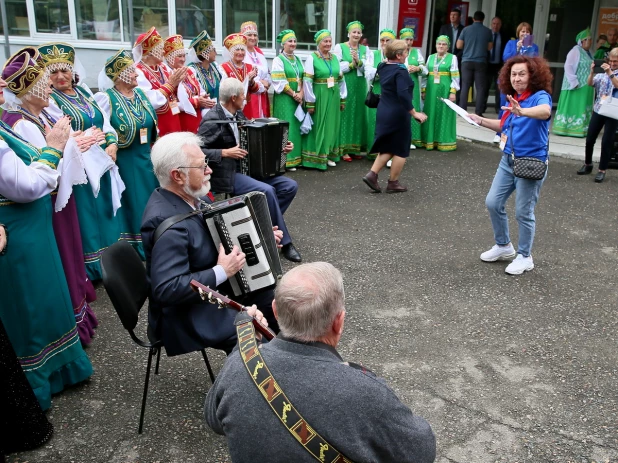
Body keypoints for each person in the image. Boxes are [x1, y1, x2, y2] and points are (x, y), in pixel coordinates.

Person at [204, 262, 437, 462]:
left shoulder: (238, 366)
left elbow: (213, 419)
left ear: (275, 311)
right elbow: (420, 451)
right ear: (339, 321)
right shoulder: (366, 393)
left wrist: (244, 347)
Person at [0, 65, 93, 409]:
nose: (1, 84)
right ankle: (39, 382)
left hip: (33, 229)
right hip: (19, 233)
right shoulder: (13, 124)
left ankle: (64, 369)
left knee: (48, 297)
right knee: (32, 310)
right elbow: (27, 185)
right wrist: (55, 147)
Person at [140, 132, 276, 356]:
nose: (209, 170)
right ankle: (261, 381)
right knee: (252, 330)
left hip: (212, 292)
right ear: (178, 176)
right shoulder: (166, 224)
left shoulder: (193, 198)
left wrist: (259, 238)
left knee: (277, 302)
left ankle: (290, 363)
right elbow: (167, 289)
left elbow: (210, 238)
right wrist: (222, 270)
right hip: (186, 313)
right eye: (202, 166)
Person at [198, 78, 302, 263]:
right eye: (242, 95)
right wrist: (224, 152)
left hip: (250, 169)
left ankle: (259, 226)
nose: (245, 99)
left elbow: (257, 139)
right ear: (233, 98)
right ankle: (285, 243)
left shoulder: (238, 115)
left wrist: (281, 147)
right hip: (228, 173)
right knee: (267, 191)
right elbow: (198, 150)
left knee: (289, 186)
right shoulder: (212, 119)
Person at [42, 42, 121, 281]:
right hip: (80, 169)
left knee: (105, 212)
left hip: (102, 162)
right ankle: (93, 269)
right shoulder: (51, 102)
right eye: (53, 72)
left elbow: (105, 121)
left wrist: (112, 142)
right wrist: (87, 137)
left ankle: (114, 262)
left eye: (64, 70)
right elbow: (59, 134)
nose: (60, 76)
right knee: (87, 215)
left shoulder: (85, 91)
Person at [469, 56, 553, 275]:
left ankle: (525, 256)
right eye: (513, 74)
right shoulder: (513, 98)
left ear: (532, 75)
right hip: (508, 159)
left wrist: (522, 111)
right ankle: (504, 246)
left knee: (523, 212)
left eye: (522, 74)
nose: (517, 78)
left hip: (530, 163)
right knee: (493, 202)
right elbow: (503, 125)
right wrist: (480, 120)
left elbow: (545, 111)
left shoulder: (538, 97)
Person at [95, 50, 160, 258]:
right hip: (126, 161)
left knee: (151, 198)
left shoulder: (140, 94)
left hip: (144, 156)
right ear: (120, 74)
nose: (136, 75)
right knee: (135, 200)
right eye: (131, 71)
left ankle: (155, 236)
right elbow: (102, 127)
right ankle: (138, 244)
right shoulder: (107, 99)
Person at [362, 40, 427, 194]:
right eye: (405, 52)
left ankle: (372, 174)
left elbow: (385, 62)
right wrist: (414, 112)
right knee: (401, 148)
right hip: (398, 113)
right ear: (398, 55)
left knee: (388, 145)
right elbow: (403, 95)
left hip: (384, 109)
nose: (407, 55)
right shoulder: (401, 71)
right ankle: (393, 182)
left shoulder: (383, 65)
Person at [301, 29, 347, 170]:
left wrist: (342, 98)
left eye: (329, 41)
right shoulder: (312, 58)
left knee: (331, 125)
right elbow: (307, 81)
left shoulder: (334, 58)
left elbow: (341, 79)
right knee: (320, 124)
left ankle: (329, 154)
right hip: (320, 94)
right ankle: (317, 157)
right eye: (325, 41)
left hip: (333, 95)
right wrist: (310, 101)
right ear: (318, 43)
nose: (328, 44)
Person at [133, 26, 187, 137]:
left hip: (173, 117)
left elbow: (176, 92)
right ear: (150, 52)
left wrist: (178, 83)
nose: (163, 51)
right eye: (160, 49)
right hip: (159, 122)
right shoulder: (138, 71)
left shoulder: (163, 67)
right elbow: (148, 100)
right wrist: (171, 85)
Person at [577, 48, 618, 183]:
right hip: (599, 108)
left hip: (613, 111)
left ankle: (602, 170)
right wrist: (592, 71)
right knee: (590, 138)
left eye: (615, 61)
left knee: (607, 141)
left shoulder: (611, 73)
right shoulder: (602, 73)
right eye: (611, 61)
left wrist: (610, 73)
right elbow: (590, 83)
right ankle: (588, 164)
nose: (612, 63)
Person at [494, 22, 539, 143]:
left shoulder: (534, 46)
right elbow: (506, 59)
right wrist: (517, 49)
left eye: (527, 32)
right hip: (509, 80)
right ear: (518, 33)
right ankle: (499, 133)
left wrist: (527, 50)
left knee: (521, 107)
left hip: (524, 82)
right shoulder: (511, 43)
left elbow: (535, 63)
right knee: (505, 105)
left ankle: (516, 133)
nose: (525, 34)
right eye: (522, 31)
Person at [333, 20, 370, 161]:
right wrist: (351, 64)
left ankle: (355, 147)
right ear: (348, 33)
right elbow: (337, 67)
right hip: (346, 82)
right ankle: (344, 149)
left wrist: (359, 62)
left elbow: (367, 66)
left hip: (360, 84)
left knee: (358, 113)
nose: (356, 34)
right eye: (354, 32)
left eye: (358, 32)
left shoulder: (365, 49)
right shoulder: (340, 47)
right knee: (346, 113)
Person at [164, 34, 211, 134]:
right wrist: (196, 101)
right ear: (170, 57)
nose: (183, 59)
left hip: (196, 117)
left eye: (184, 55)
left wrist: (204, 97)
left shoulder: (189, 71)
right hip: (181, 119)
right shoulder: (167, 75)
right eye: (179, 56)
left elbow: (200, 90)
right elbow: (172, 104)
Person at [420, 35, 460, 152]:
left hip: (445, 90)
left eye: (444, 44)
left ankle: (443, 141)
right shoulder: (430, 58)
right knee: (431, 112)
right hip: (431, 90)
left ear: (448, 47)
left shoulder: (452, 58)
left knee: (444, 114)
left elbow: (455, 76)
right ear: (436, 45)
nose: (441, 46)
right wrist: (423, 89)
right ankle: (430, 141)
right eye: (439, 44)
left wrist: (453, 91)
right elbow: (426, 75)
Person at [271, 29, 304, 170]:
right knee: (286, 127)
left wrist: (301, 93)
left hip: (297, 98)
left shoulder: (297, 59)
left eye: (294, 41)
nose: (293, 43)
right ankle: (285, 160)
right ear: (283, 44)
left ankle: (296, 158)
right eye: (290, 41)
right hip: (285, 99)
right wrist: (294, 94)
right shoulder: (278, 60)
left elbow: (303, 79)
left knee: (296, 128)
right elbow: (279, 80)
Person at [552, 28, 594, 138]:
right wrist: (574, 81)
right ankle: (567, 129)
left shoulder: (589, 53)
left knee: (583, 107)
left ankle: (581, 129)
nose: (591, 41)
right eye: (589, 39)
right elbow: (568, 66)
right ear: (582, 41)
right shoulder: (575, 51)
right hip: (576, 86)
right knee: (573, 107)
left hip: (586, 86)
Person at [365, 28, 395, 160]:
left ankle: (388, 153)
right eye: (382, 40)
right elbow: (368, 71)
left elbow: (401, 71)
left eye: (387, 40)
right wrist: (383, 68)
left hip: (392, 92)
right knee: (374, 120)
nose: (384, 43)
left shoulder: (397, 54)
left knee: (389, 121)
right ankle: (374, 151)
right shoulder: (374, 54)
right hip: (377, 90)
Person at [456, 10, 493, 116]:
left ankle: (462, 110)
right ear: (483, 19)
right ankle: (478, 111)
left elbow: (458, 45)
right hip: (481, 61)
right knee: (480, 87)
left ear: (473, 19)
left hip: (466, 61)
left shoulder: (466, 30)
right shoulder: (487, 31)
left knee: (465, 85)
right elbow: (490, 47)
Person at [400, 27, 427, 149]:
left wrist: (418, 68)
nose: (409, 42)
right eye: (407, 39)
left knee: (413, 108)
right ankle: (402, 137)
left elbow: (425, 70)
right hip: (401, 84)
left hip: (413, 84)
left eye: (411, 40)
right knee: (402, 109)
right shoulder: (398, 52)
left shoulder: (417, 53)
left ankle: (413, 139)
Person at [219, 33, 260, 109]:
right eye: (237, 49)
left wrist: (251, 81)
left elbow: (257, 90)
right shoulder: (223, 68)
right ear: (231, 52)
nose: (240, 52)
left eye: (242, 50)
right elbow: (223, 90)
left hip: (248, 106)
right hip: (231, 106)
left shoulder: (250, 67)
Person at [241, 21, 271, 119]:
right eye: (249, 35)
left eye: (255, 35)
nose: (253, 38)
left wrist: (267, 82)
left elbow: (267, 71)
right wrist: (259, 82)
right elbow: (243, 73)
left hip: (262, 94)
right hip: (250, 94)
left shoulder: (259, 52)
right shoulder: (241, 52)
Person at [187, 31, 222, 111]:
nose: (216, 53)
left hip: (217, 111)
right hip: (201, 113)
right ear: (206, 53)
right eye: (213, 50)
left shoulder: (215, 67)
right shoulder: (192, 70)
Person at [439, 7, 464, 103]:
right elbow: (440, 42)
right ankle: (443, 98)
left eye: (455, 15)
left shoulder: (463, 29)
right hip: (445, 57)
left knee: (456, 78)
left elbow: (465, 46)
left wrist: (457, 56)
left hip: (458, 57)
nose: (452, 17)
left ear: (459, 17)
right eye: (451, 15)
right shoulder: (444, 28)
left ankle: (455, 101)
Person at [486, 17, 509, 114]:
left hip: (499, 65)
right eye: (494, 23)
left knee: (499, 87)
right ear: (491, 24)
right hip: (487, 64)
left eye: (498, 24)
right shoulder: (487, 34)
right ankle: (482, 107)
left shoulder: (504, 36)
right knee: (485, 86)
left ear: (501, 25)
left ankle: (498, 107)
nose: (496, 26)